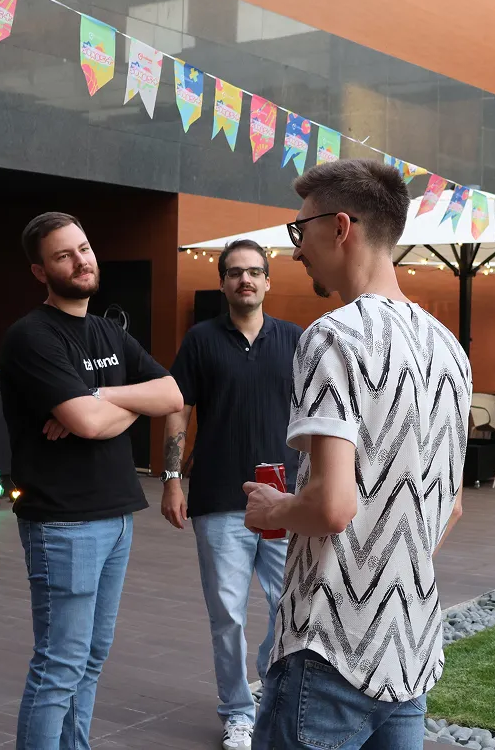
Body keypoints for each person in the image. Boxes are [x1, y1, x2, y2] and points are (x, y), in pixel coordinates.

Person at [244, 159, 469, 748]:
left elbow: (332, 506)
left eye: (300, 231)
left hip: (328, 645)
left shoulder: (332, 336)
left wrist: (272, 509)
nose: (295, 250)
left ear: (340, 226)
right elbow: (451, 507)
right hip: (411, 649)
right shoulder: (450, 349)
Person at [0, 212, 184, 748]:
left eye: (83, 248)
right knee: (59, 666)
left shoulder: (106, 330)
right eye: (64, 255)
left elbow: (171, 395)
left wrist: (102, 396)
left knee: (91, 662)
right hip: (63, 523)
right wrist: (114, 404)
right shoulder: (31, 337)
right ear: (40, 271)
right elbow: (85, 424)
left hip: (117, 516)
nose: (81, 261)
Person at [161, 239, 302, 750]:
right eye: (235, 272)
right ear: (223, 282)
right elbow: (178, 408)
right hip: (220, 497)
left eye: (254, 272)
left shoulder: (295, 339)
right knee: (227, 615)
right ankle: (238, 712)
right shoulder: (200, 341)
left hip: (286, 498)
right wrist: (173, 476)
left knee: (292, 602)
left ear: (268, 281)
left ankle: (266, 680)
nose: (245, 280)